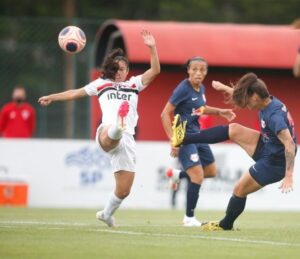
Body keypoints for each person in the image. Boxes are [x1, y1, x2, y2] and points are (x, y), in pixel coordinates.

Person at [38, 30, 160, 227]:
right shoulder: (102, 84)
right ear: (110, 69)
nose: (120, 72)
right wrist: (53, 96)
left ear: (128, 70)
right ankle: (117, 128)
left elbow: (155, 71)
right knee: (112, 132)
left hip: (128, 139)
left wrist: (152, 47)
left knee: (124, 190)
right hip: (107, 132)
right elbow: (75, 93)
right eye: (116, 68)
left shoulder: (134, 84)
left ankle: (106, 214)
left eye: (123, 68)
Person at [172, 72, 296, 230]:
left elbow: (290, 145)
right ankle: (183, 138)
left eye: (247, 99)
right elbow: (246, 94)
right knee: (234, 129)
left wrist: (289, 175)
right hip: (268, 146)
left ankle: (225, 224)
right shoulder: (267, 101)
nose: (245, 103)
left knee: (239, 189)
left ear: (256, 96)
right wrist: (224, 87)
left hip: (275, 163)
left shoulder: (274, 116)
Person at [161, 56, 236, 227]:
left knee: (211, 171)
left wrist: (220, 112)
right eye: (194, 69)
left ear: (206, 72)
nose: (198, 73)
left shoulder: (201, 88)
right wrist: (173, 140)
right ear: (188, 70)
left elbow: (200, 108)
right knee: (198, 176)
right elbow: (164, 113)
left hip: (198, 134)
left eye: (202, 70)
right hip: (184, 135)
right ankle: (188, 218)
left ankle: (178, 175)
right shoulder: (183, 88)